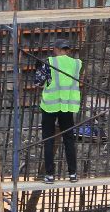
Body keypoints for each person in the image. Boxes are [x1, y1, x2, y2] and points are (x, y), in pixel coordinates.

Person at [35, 38, 82, 184]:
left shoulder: (49, 62)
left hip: (50, 106)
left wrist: (38, 68)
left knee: (48, 139)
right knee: (69, 139)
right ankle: (73, 174)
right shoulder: (77, 64)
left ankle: (49, 175)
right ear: (68, 50)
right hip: (67, 106)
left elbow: (38, 82)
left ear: (56, 49)